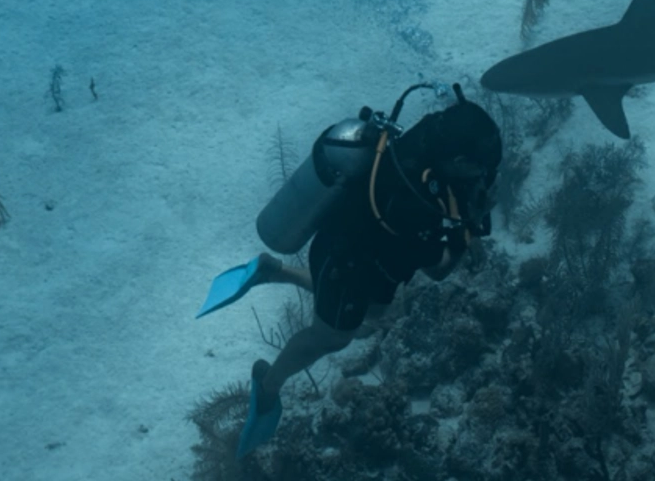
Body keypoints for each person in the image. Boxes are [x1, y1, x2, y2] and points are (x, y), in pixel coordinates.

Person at [196, 84, 502, 457]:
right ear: (455, 158)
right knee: (332, 338)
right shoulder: (415, 202)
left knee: (374, 316)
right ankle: (268, 385)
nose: (482, 173)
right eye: (476, 165)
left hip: (369, 254)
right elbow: (438, 269)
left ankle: (272, 271)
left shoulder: (429, 143)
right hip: (345, 263)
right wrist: (467, 230)